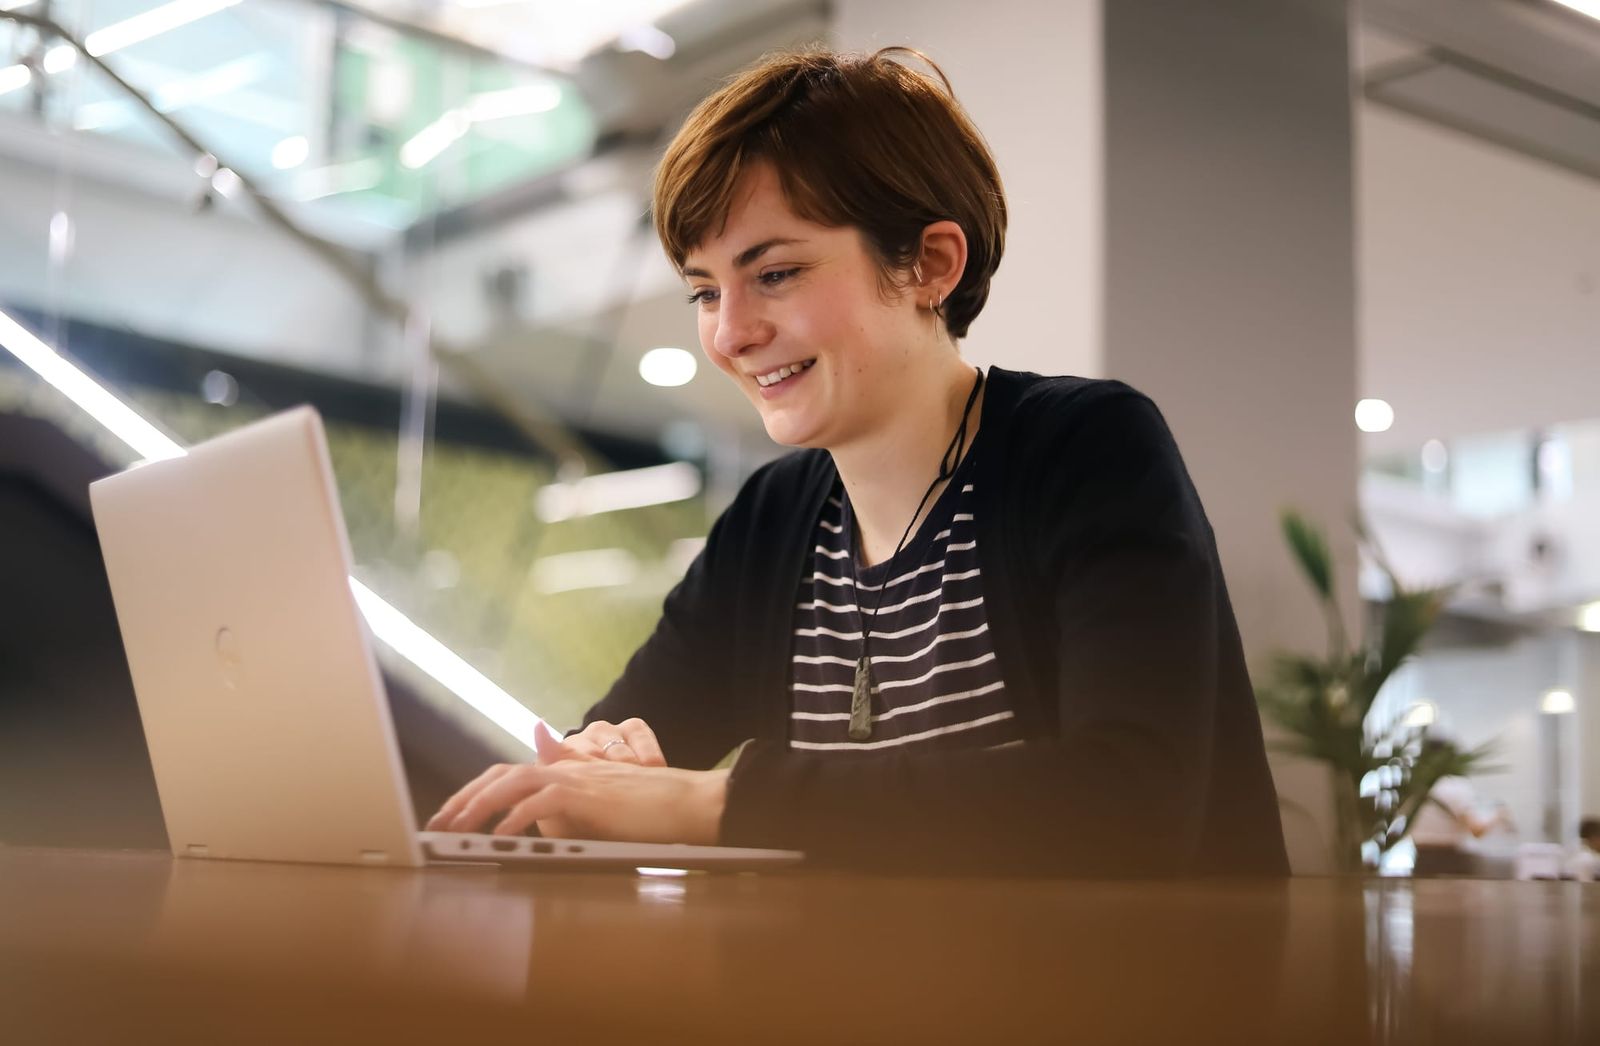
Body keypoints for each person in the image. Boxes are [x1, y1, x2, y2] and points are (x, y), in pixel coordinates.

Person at [427, 46, 1289, 877]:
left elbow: (1130, 804)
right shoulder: (773, 521)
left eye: (776, 274)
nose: (729, 333)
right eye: (704, 289)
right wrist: (597, 763)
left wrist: (712, 805)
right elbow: (628, 741)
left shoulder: (1086, 447)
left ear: (929, 264)